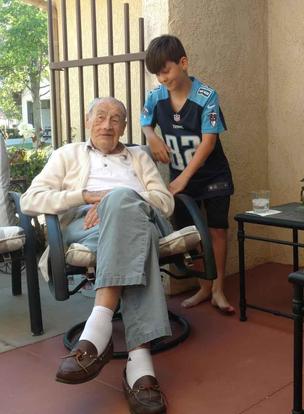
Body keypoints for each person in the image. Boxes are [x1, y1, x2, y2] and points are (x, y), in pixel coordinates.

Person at [21, 97, 173, 414]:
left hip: (140, 220)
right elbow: (30, 200)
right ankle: (140, 362)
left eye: (116, 118)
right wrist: (85, 196)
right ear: (88, 120)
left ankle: (97, 331)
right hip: (84, 227)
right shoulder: (67, 155)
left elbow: (165, 202)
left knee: (125, 211)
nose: (107, 124)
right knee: (135, 236)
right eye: (101, 116)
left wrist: (118, 201)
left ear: (124, 126)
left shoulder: (139, 157)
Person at [141, 35, 235, 314]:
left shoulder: (207, 96)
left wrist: (183, 178)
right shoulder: (156, 98)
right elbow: (145, 122)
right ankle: (202, 286)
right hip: (179, 176)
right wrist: (151, 137)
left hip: (212, 174)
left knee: (217, 230)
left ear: (183, 63)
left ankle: (218, 289)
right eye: (156, 73)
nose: (161, 78)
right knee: (190, 233)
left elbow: (209, 142)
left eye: (165, 70)